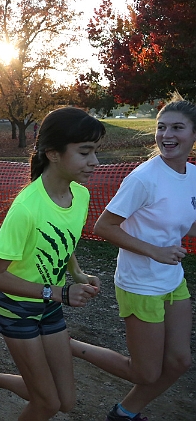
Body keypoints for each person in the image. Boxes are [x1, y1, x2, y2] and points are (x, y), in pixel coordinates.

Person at [0, 107, 104, 420]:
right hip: (18, 312)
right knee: (47, 403)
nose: (95, 162)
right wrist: (59, 293)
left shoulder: (80, 195)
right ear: (53, 154)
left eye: (95, 152)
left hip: (51, 306)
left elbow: (62, 241)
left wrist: (78, 273)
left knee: (65, 401)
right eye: (85, 152)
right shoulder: (26, 208)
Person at [71, 95, 196, 421]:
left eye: (177, 128)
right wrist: (155, 251)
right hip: (139, 282)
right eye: (161, 127)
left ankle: (125, 413)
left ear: (193, 135)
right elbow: (105, 226)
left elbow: (186, 223)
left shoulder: (192, 175)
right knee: (145, 372)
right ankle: (65, 344)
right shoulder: (143, 178)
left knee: (180, 362)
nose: (167, 135)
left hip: (172, 279)